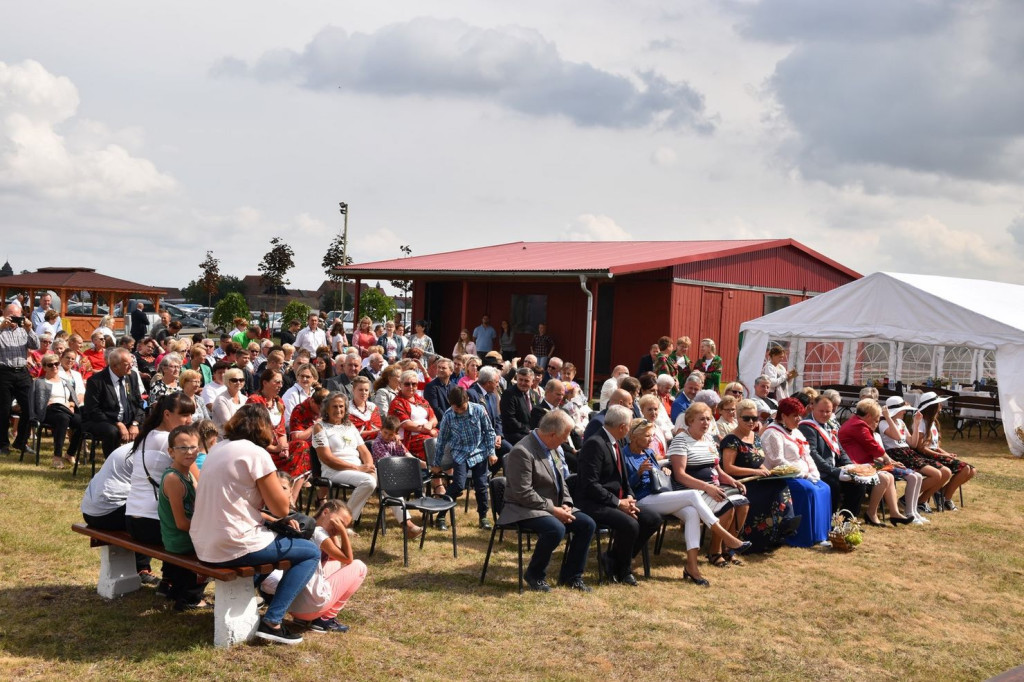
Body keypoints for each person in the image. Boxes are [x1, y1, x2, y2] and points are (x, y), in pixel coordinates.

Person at [190, 404, 320, 644]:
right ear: (264, 428)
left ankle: (259, 598)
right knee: (311, 551)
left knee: (271, 541)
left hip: (203, 541)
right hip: (232, 543)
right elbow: (282, 508)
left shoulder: (218, 448)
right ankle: (273, 621)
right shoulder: (255, 453)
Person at [624, 418, 751, 584]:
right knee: (692, 495)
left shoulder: (648, 453)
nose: (651, 439)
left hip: (660, 495)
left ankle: (692, 567)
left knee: (691, 512)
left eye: (652, 435)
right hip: (642, 500)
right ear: (635, 437)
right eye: (647, 436)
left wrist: (663, 469)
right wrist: (638, 473)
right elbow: (625, 486)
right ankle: (726, 537)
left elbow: (657, 475)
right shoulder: (625, 454)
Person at [500, 410, 595, 592]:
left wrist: (566, 503)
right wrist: (553, 510)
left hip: (552, 505)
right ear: (553, 434)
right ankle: (535, 574)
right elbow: (523, 493)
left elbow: (561, 481)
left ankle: (572, 576)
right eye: (565, 436)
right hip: (523, 508)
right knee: (555, 528)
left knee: (587, 524)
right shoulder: (522, 452)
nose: (567, 440)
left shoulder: (553, 448)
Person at [576, 405, 660, 585]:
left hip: (614, 500)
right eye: (629, 426)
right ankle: (624, 570)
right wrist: (618, 503)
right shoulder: (595, 444)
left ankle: (612, 558)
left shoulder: (616, 442)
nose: (629, 430)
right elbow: (590, 485)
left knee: (652, 518)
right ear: (622, 427)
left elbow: (623, 480)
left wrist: (629, 496)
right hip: (593, 502)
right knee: (630, 524)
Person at [125, 393, 197, 590]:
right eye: (184, 415)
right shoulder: (170, 440)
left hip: (133, 519)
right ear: (167, 414)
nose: (189, 420)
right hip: (152, 523)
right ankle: (187, 591)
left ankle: (169, 581)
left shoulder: (147, 434)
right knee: (201, 534)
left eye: (191, 414)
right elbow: (198, 479)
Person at [261, 499, 367, 633]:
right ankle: (326, 619)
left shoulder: (307, 527)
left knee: (333, 561)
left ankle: (308, 618)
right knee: (360, 567)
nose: (339, 527)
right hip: (311, 608)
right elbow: (348, 559)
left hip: (293, 607)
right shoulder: (318, 532)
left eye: (343, 525)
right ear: (325, 512)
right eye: (339, 521)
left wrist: (335, 532)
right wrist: (343, 532)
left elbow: (337, 556)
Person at [668, 403, 751, 567]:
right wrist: (707, 487)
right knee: (727, 506)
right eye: (701, 419)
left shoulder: (708, 439)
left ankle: (729, 548)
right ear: (690, 421)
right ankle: (714, 551)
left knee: (743, 504)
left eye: (708, 419)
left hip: (714, 486)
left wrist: (731, 480)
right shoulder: (681, 440)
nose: (706, 423)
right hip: (692, 490)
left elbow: (717, 468)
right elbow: (680, 475)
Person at [720, 399, 798, 552]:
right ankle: (758, 538)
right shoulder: (731, 439)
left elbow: (757, 461)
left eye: (754, 418)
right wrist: (756, 472)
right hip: (740, 482)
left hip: (756, 479)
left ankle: (781, 528)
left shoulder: (755, 437)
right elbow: (728, 468)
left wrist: (767, 470)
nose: (751, 422)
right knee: (768, 493)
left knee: (780, 484)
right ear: (738, 417)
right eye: (746, 418)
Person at [761, 398, 834, 545]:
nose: (799, 419)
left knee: (825, 487)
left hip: (802, 474)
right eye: (795, 415)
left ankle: (821, 534)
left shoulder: (796, 432)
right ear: (783, 416)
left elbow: (807, 455)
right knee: (807, 490)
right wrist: (803, 474)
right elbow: (777, 461)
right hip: (781, 475)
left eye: (800, 415)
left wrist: (814, 473)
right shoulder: (773, 433)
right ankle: (803, 536)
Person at [836, 399, 918, 526]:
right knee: (884, 478)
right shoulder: (858, 425)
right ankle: (871, 513)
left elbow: (868, 448)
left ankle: (894, 513)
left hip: (862, 462)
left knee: (889, 476)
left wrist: (887, 461)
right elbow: (872, 445)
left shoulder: (855, 422)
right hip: (854, 465)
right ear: (868, 416)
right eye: (876, 419)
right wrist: (887, 460)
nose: (877, 422)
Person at [158, 423, 210, 611]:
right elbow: (181, 523)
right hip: (180, 541)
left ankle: (182, 590)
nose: (189, 452)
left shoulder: (187, 474)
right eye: (183, 448)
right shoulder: (174, 479)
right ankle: (191, 597)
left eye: (193, 447)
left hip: (183, 538)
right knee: (224, 549)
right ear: (171, 452)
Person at [431, 386, 496, 529]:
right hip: (460, 453)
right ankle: (441, 516)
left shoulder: (479, 410)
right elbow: (441, 441)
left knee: (481, 485)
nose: (458, 411)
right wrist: (436, 463)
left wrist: (492, 452)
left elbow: (490, 432)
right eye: (455, 408)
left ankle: (483, 517)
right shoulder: (448, 415)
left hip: (479, 452)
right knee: (459, 484)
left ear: (467, 400)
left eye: (460, 407)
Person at [798, 394, 869, 516]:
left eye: (828, 411)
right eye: (821, 411)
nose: (825, 414)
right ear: (812, 407)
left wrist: (850, 466)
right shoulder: (807, 427)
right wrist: (836, 472)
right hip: (819, 471)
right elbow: (812, 454)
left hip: (835, 469)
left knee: (858, 484)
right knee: (833, 484)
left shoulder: (829, 425)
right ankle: (831, 522)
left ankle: (848, 523)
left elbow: (840, 449)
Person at [313, 392, 377, 524]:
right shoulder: (319, 428)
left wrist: (369, 466)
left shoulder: (350, 426)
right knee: (369, 482)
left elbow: (364, 450)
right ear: (327, 409)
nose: (338, 410)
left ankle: (406, 522)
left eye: (341, 406)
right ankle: (344, 521)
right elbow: (327, 458)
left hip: (356, 470)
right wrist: (358, 468)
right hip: (334, 471)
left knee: (387, 479)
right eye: (334, 406)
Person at [878, 396, 946, 518]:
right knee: (935, 474)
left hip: (908, 452)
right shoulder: (883, 423)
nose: (905, 412)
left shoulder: (901, 422)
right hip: (897, 454)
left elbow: (913, 443)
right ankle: (909, 503)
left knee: (938, 473)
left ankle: (911, 505)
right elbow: (898, 437)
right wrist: (888, 417)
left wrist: (916, 424)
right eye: (903, 409)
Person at [910, 392, 976, 512]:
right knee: (964, 468)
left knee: (972, 470)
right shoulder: (922, 423)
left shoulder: (933, 422)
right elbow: (921, 448)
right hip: (925, 455)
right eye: (939, 404)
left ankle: (943, 494)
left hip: (934, 453)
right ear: (932, 407)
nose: (941, 406)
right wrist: (942, 455)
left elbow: (935, 446)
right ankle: (937, 498)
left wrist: (946, 453)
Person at [81, 347, 144, 457]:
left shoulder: (132, 376)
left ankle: (138, 464)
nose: (131, 366)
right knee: (112, 431)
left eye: (132, 363)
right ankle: (113, 465)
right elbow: (93, 410)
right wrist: (117, 423)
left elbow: (138, 403)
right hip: (103, 421)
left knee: (149, 428)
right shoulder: (97, 381)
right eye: (127, 364)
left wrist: (135, 423)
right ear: (115, 366)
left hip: (129, 419)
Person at [32, 352, 83, 467]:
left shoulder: (65, 382)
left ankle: (70, 453)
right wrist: (55, 403)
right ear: (44, 367)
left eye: (56, 364)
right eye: (50, 365)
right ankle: (57, 456)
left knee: (82, 422)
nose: (54, 366)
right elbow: (39, 403)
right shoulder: (40, 383)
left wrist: (70, 405)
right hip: (49, 412)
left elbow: (72, 400)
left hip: (66, 410)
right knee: (62, 418)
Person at [388, 369, 437, 462]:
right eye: (407, 384)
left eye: (414, 384)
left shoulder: (421, 400)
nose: (411, 387)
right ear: (400, 385)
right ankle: (436, 472)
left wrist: (430, 424)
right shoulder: (397, 403)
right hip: (411, 438)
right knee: (433, 445)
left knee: (448, 440)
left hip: (428, 433)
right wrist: (428, 430)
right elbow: (406, 424)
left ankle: (449, 474)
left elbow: (434, 418)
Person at [246, 369, 290, 469]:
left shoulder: (279, 402)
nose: (281, 385)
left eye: (281, 382)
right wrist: (273, 448)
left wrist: (283, 448)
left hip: (277, 448)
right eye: (277, 382)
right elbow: (253, 432)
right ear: (265, 383)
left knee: (302, 446)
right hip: (260, 448)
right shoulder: (254, 400)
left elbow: (281, 430)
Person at [500, 367, 534, 446]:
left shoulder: (534, 394)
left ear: (532, 381)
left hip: (530, 432)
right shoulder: (509, 394)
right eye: (520, 380)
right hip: (514, 434)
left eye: (526, 381)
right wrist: (528, 431)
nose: (522, 383)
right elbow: (509, 419)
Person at [211, 367, 248, 435]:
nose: (238, 382)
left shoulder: (245, 399)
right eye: (234, 380)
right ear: (227, 381)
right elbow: (228, 424)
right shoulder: (221, 400)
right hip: (224, 438)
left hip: (242, 435)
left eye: (241, 380)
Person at [282, 363, 318, 429]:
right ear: (297, 377)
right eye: (302, 376)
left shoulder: (315, 393)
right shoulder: (291, 394)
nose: (304, 379)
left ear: (314, 378)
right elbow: (287, 422)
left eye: (307, 377)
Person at [348, 376, 381, 443]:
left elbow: (379, 427)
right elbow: (349, 433)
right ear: (353, 390)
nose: (364, 392)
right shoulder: (347, 408)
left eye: (366, 390)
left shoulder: (372, 407)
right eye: (360, 390)